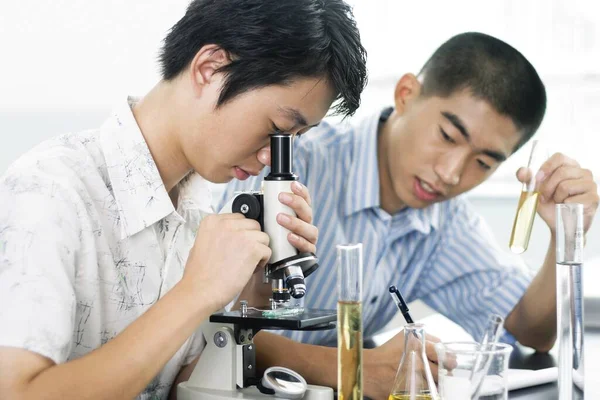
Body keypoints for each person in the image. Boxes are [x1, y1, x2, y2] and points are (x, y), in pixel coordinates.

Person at [0, 1, 367, 399]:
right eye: (277, 130)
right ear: (210, 68)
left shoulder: (197, 211)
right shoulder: (49, 190)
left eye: (296, 139)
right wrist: (196, 290)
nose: (270, 158)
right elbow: (18, 392)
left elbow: (173, 386)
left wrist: (251, 300)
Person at [220, 32, 599, 400]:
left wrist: (567, 235)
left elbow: (531, 330)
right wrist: (354, 368)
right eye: (448, 136)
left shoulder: (445, 221)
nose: (451, 173)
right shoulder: (287, 161)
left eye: (483, 162)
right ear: (406, 95)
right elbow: (209, 327)